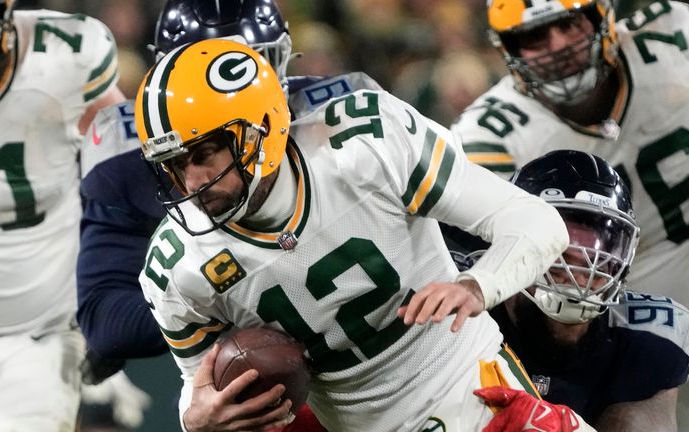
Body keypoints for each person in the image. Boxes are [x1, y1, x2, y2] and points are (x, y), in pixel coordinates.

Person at [131, 37, 594, 432]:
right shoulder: (179, 266)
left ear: (263, 130)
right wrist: (195, 422)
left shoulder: (364, 145)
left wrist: (478, 284)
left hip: (479, 397)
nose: (190, 182)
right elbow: (200, 392)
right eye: (172, 164)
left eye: (204, 153)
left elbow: (537, 222)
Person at [76, 1, 379, 429]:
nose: (238, 97)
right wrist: (251, 297)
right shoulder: (127, 158)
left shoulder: (339, 114)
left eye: (256, 67)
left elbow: (442, 224)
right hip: (264, 386)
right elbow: (107, 321)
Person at [0, 0, 124, 430]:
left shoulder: (65, 56)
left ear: (1, 10)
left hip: (40, 337)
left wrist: (109, 300)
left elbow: (126, 182)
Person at [451, 0, 689, 309]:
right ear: (509, 48)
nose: (559, 47)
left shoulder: (674, 36)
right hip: (614, 310)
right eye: (534, 36)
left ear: (600, 16)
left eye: (569, 24)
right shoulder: (489, 136)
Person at [456, 150, 689, 431]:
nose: (582, 266)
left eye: (603, 248)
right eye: (561, 244)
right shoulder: (461, 298)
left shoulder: (647, 341)